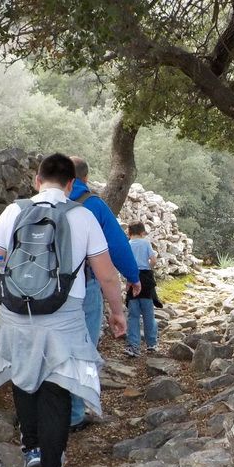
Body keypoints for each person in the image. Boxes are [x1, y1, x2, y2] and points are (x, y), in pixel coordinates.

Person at [0, 153, 126, 467]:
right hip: (63, 318)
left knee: (23, 376)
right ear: (70, 184)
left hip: (16, 315)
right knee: (56, 393)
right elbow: (107, 273)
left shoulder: (13, 212)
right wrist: (117, 311)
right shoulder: (83, 216)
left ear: (36, 180)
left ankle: (31, 446)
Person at [67, 155, 140, 431]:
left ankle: (39, 412)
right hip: (82, 288)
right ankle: (74, 413)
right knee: (81, 347)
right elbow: (117, 246)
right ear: (84, 179)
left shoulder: (37, 204)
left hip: (39, 291)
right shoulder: (92, 205)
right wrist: (133, 277)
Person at [125, 221, 159, 357]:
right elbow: (154, 260)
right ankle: (152, 343)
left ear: (129, 232)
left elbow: (125, 262)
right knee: (148, 313)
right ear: (142, 232)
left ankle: (134, 346)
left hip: (132, 277)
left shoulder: (127, 245)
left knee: (133, 315)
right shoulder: (146, 243)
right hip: (146, 278)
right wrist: (147, 267)